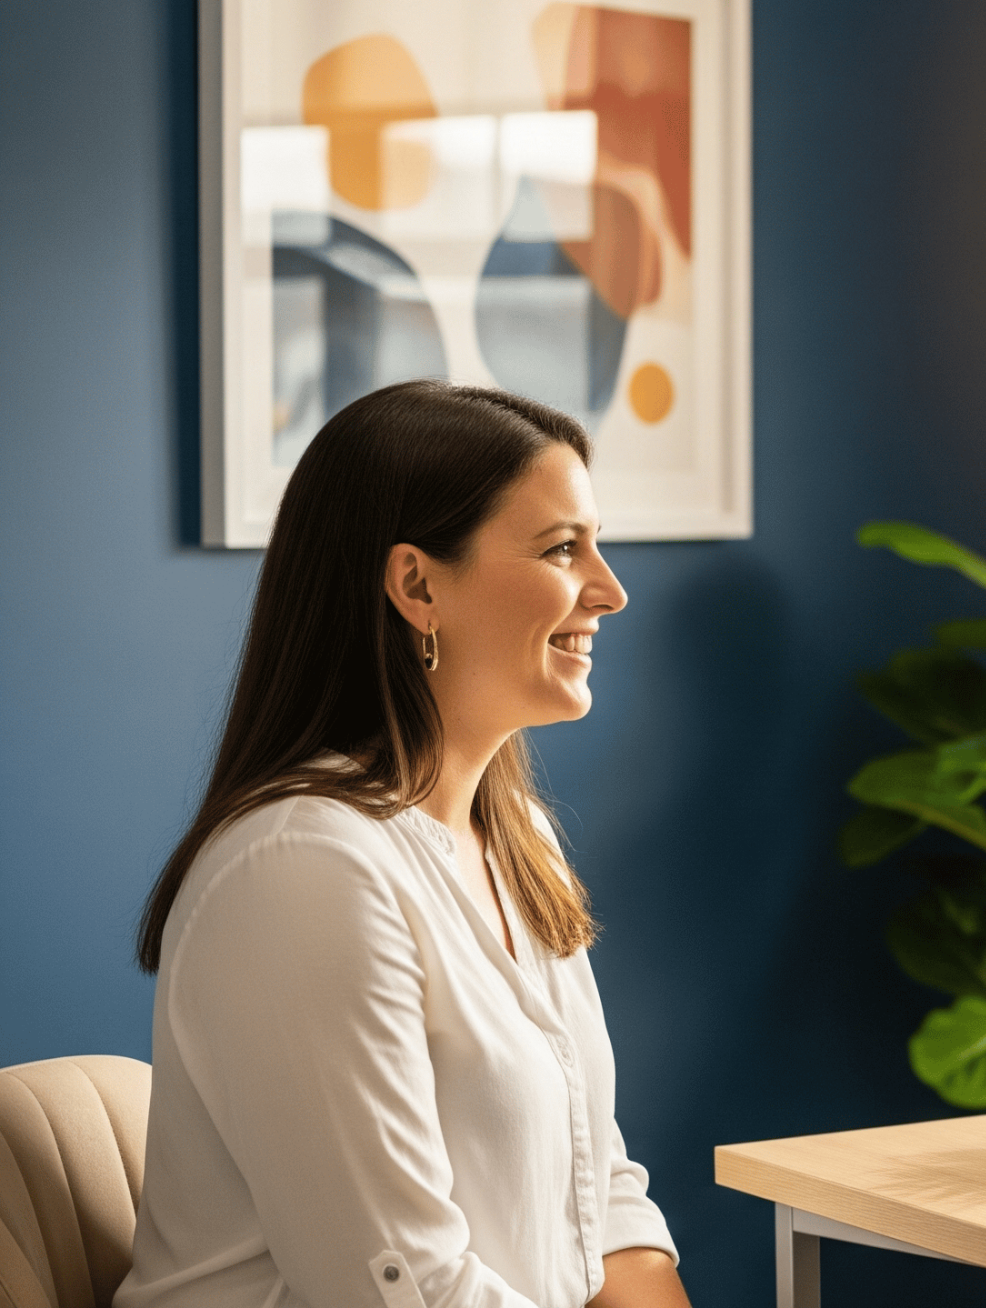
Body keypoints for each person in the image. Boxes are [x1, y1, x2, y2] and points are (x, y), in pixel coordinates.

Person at [119, 382, 688, 1308]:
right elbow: (400, 1289)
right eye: (561, 550)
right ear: (418, 586)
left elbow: (602, 1189)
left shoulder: (518, 842)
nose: (610, 591)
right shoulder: (303, 871)